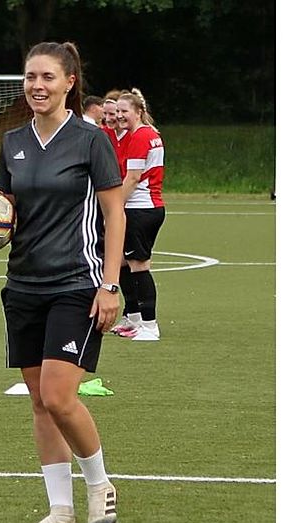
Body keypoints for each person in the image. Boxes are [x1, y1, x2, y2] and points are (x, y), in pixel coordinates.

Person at [0, 42, 123, 523]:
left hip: (76, 284)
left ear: (70, 82)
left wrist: (110, 285)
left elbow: (115, 214)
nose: (37, 86)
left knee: (59, 395)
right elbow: (4, 214)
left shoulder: (92, 141)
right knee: (40, 403)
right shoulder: (13, 142)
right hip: (23, 286)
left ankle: (100, 486)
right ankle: (61, 513)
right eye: (30, 77)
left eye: (47, 76)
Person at [109, 89, 166, 341]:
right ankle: (133, 319)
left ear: (138, 112)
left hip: (140, 208)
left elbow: (132, 179)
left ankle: (150, 326)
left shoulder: (141, 137)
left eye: (124, 111)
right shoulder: (147, 134)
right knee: (122, 262)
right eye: (117, 111)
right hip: (146, 207)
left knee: (138, 265)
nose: (120, 116)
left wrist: (113, 208)